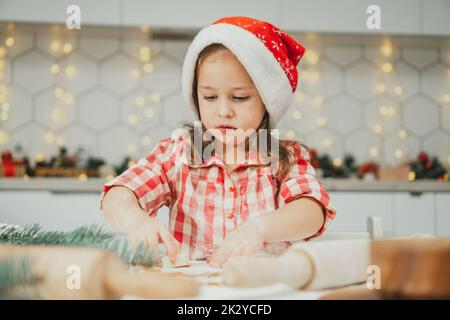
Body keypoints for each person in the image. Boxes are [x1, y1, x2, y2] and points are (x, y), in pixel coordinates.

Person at [100, 16, 336, 267]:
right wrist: (137, 221)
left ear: (267, 103)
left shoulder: (284, 158)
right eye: (210, 97)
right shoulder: (178, 153)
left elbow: (313, 212)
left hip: (264, 290)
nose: (224, 111)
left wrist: (261, 228)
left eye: (240, 97)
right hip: (192, 291)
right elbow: (119, 193)